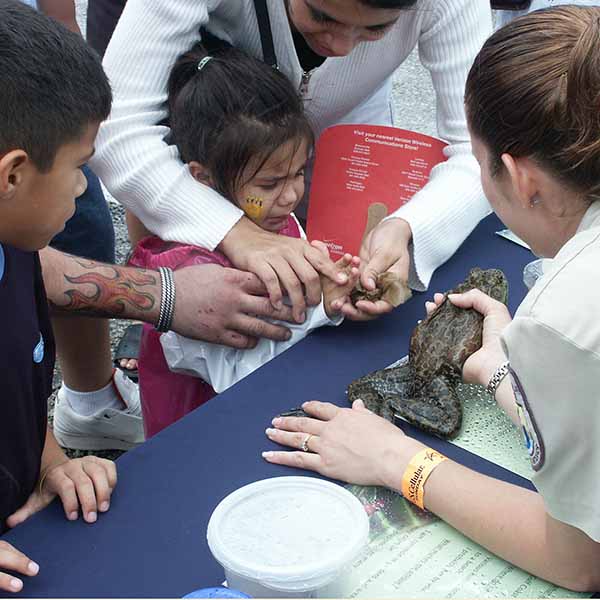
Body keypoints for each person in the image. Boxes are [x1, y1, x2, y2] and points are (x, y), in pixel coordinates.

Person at [263, 6, 600, 591]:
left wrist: (396, 461)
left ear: (520, 179)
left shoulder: (564, 314)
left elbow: (578, 559)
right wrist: (501, 373)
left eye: (477, 163)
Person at [0, 2, 297, 592]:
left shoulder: (18, 254)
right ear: (11, 175)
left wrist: (51, 463)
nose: (88, 188)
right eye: (82, 167)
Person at [91, 0, 493, 326]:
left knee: (331, 245)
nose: (340, 46)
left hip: (348, 110)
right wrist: (231, 231)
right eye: (321, 15)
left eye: (375, 29)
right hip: (218, 97)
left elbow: (480, 149)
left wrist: (408, 228)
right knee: (186, 240)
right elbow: (118, 128)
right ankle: (149, 332)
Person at [128, 35, 359, 437]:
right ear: (203, 177)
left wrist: (330, 297)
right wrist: (321, 311)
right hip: (201, 432)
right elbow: (235, 375)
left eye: (299, 173)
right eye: (269, 183)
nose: (291, 196)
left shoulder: (275, 221)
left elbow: (284, 316)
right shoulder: (187, 271)